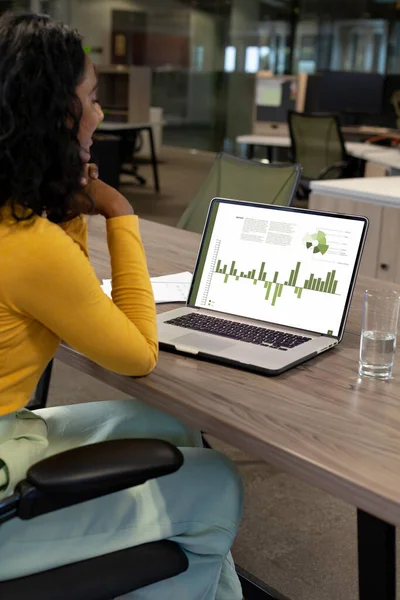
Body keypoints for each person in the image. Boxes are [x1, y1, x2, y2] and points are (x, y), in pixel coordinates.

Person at [0, 12, 243, 600]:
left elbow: (67, 276)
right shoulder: (27, 246)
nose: (101, 114)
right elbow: (137, 354)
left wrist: (67, 207)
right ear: (61, 116)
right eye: (93, 99)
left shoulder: (18, 216)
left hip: (12, 429)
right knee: (219, 484)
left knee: (174, 427)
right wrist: (119, 214)